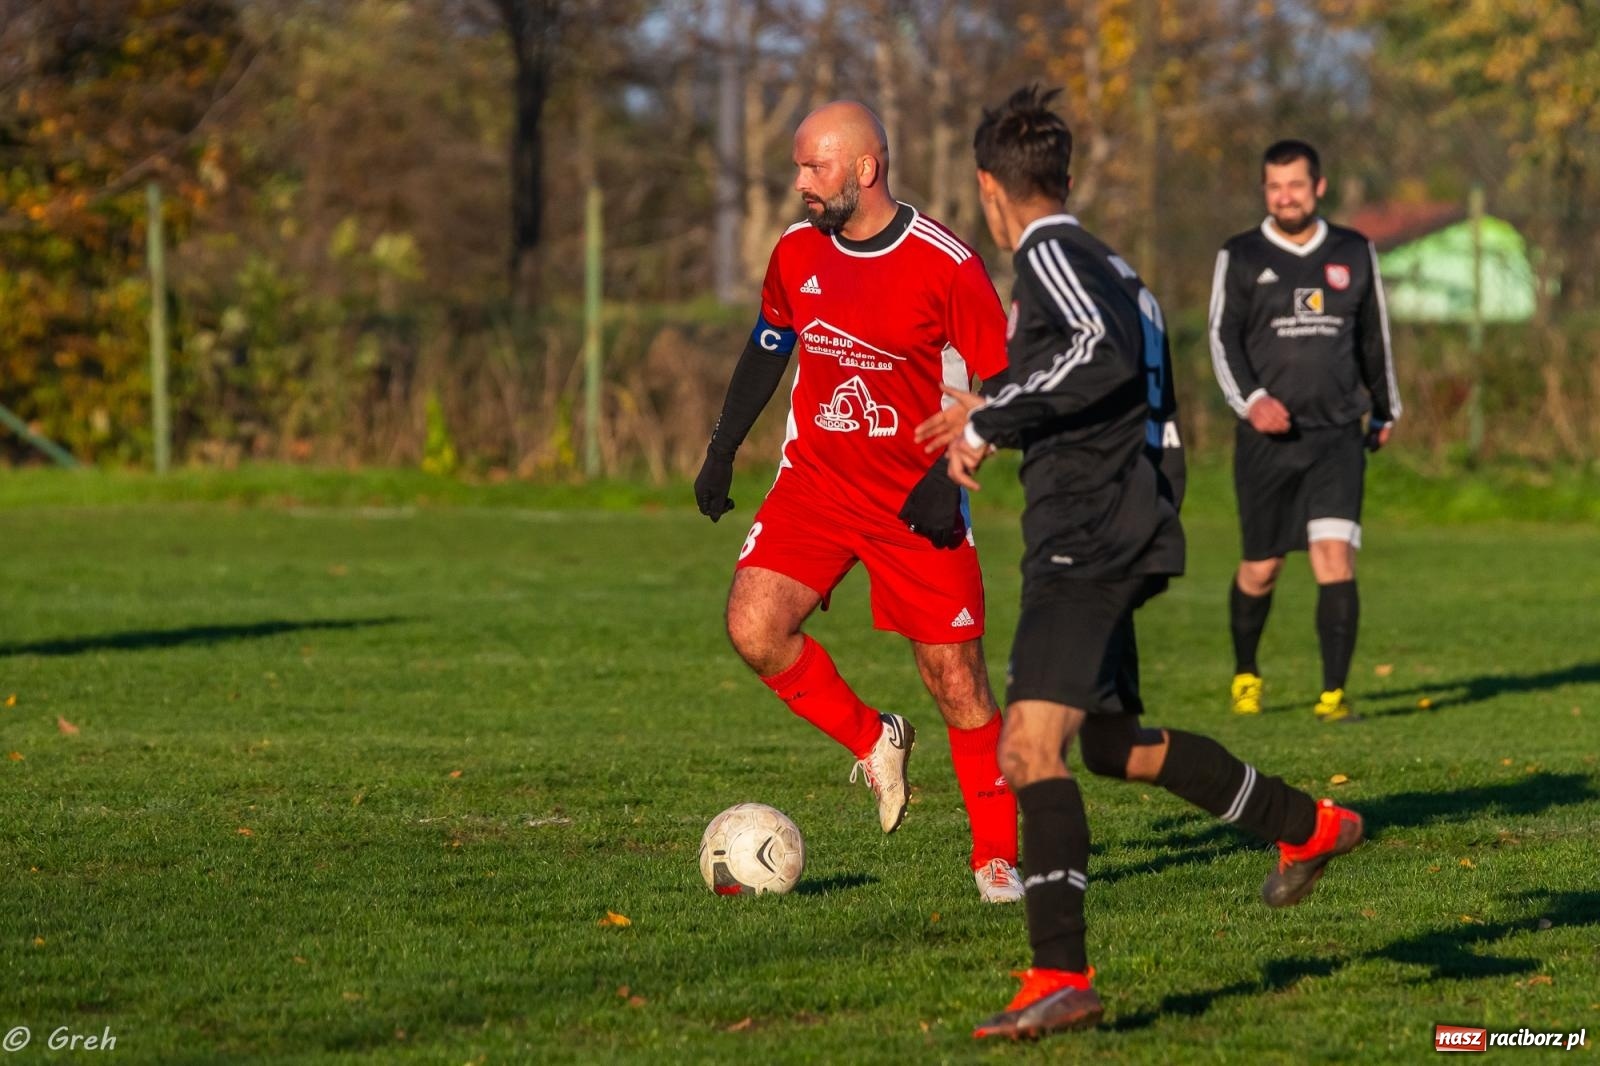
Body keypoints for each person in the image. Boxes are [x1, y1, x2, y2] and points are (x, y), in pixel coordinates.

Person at [916, 86, 1364, 1040]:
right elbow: (1102, 365)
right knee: (1113, 745)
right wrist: (991, 404)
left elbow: (1100, 355)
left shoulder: (1049, 255)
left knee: (1028, 749)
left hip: (1090, 532)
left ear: (991, 192)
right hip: (1121, 520)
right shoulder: (1107, 263)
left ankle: (1058, 976)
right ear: (1065, 178)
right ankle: (1305, 824)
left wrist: (990, 418)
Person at [692, 100, 1023, 902]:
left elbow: (1009, 385)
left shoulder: (945, 263)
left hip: (918, 501)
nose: (801, 182)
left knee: (958, 681)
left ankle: (997, 859)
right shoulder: (796, 252)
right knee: (754, 626)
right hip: (817, 485)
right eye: (800, 166)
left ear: (865, 169)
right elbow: (769, 344)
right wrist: (723, 447)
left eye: (816, 167)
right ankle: (875, 738)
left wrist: (952, 475)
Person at [1208, 139, 1402, 722]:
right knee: (1262, 568)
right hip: (1267, 440)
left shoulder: (1353, 250)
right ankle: (1247, 673)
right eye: (1274, 186)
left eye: (1295, 184)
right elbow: (1221, 338)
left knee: (1333, 557)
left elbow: (1374, 337)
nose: (1284, 196)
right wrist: (1253, 401)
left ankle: (1334, 695)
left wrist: (1385, 409)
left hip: (1338, 432)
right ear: (1264, 190)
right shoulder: (1240, 254)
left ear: (1319, 186)